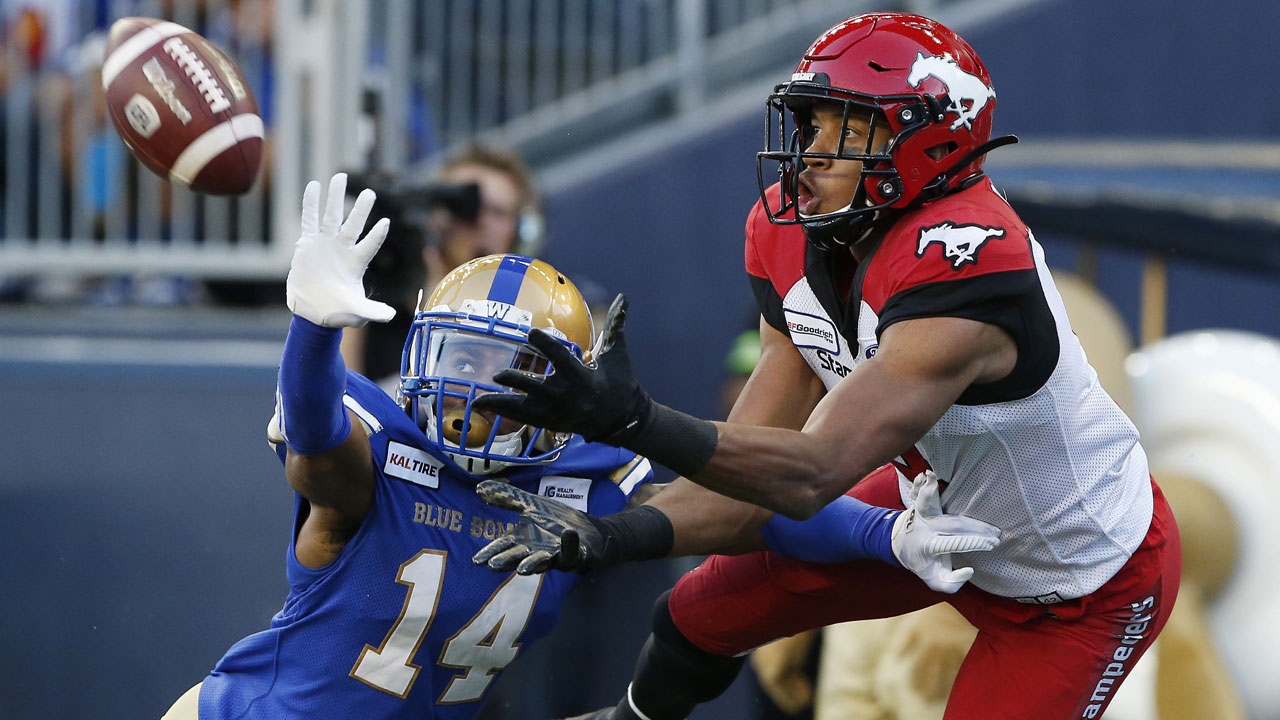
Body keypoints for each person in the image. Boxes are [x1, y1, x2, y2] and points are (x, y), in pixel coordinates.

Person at [467, 12, 1181, 720]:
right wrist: (607, 533)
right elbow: (745, 495)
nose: (809, 153)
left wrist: (632, 421)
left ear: (926, 139)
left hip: (1077, 579)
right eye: (808, 125)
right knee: (699, 609)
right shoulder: (788, 234)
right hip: (930, 510)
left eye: (844, 128)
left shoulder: (968, 258)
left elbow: (809, 474)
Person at [160, 173, 658, 719]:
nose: (477, 390)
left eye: (513, 371)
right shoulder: (379, 464)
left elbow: (720, 513)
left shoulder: (585, 484)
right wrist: (313, 328)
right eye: (464, 361)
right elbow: (316, 439)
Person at [342, 144, 543, 382]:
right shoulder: (383, 287)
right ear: (435, 213)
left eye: (497, 212)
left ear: (519, 231)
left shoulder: (535, 309)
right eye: (463, 206)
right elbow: (339, 402)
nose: (479, 222)